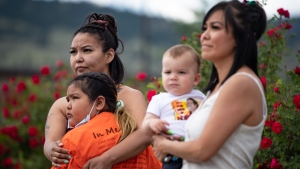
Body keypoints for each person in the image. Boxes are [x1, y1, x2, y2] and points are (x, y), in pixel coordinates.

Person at [152, 0, 268, 168]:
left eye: (215, 27)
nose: (204, 35)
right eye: (204, 28)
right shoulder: (219, 87)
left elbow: (202, 150)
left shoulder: (241, 83)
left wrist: (164, 144)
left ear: (239, 35)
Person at [44, 13, 153, 169]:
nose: (78, 58)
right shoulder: (62, 105)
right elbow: (50, 142)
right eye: (73, 52)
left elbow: (145, 135)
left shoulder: (129, 96)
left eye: (87, 50)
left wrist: (106, 160)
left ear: (109, 55)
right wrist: (51, 150)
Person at [49, 72, 161, 169]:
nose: (67, 106)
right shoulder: (137, 140)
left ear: (99, 103)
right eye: (68, 100)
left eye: (75, 98)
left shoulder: (72, 140)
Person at [142, 44, 206, 169]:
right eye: (167, 72)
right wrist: (153, 123)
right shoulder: (160, 99)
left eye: (181, 72)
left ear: (196, 79)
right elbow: (145, 125)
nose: (173, 77)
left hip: (198, 153)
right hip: (173, 156)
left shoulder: (201, 97)